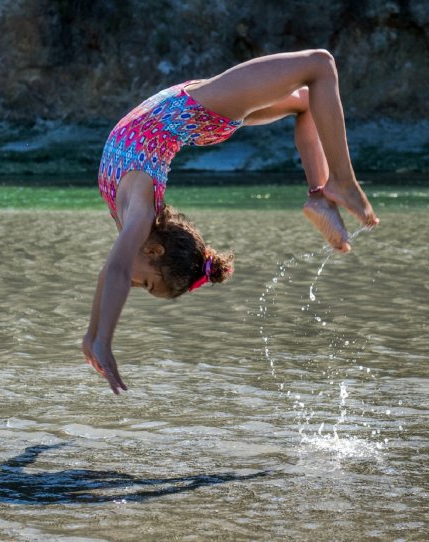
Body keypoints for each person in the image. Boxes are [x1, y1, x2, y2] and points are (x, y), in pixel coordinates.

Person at [82, 49, 379, 394]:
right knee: (320, 66)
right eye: (146, 285)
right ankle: (332, 187)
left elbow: (111, 272)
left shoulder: (135, 221)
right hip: (198, 110)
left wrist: (94, 336)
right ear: (156, 251)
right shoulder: (141, 215)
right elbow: (116, 273)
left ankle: (326, 191)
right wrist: (102, 338)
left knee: (311, 90)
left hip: (193, 112)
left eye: (144, 287)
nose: (133, 286)